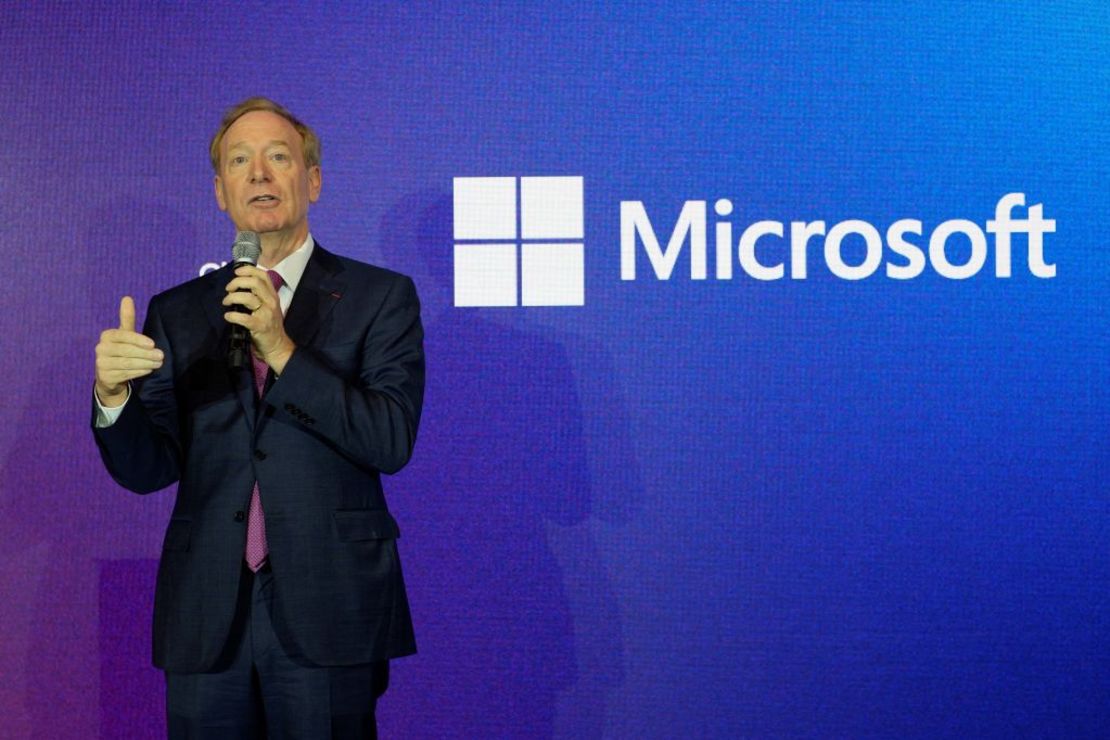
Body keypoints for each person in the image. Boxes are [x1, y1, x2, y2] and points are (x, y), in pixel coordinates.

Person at [92, 97, 424, 739]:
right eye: (239, 161)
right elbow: (149, 467)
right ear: (220, 192)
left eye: (278, 157)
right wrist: (113, 398)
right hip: (207, 611)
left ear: (313, 179)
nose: (259, 175)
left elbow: (389, 437)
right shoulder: (180, 311)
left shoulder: (379, 297)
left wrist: (281, 350)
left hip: (330, 604)